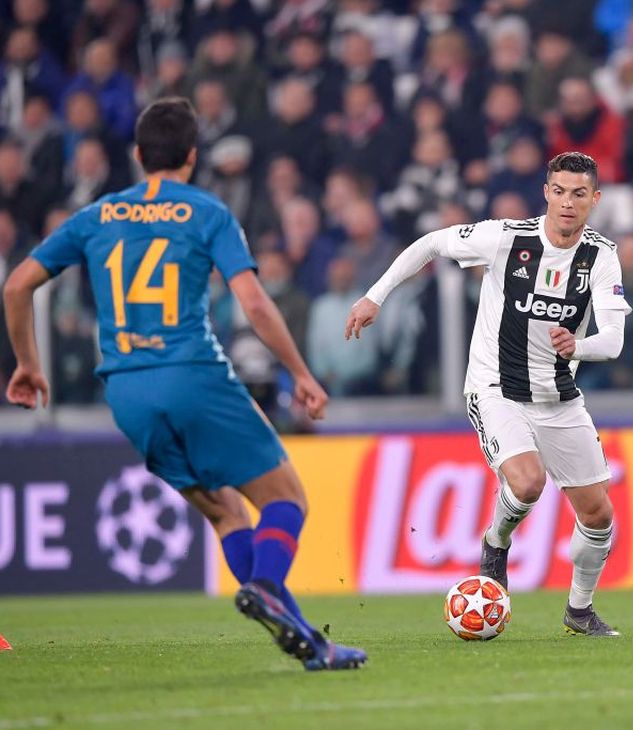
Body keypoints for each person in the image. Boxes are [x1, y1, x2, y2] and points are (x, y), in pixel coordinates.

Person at [2, 98, 364, 670]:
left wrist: (27, 363)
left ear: (138, 155)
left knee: (226, 514)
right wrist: (299, 372)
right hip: (193, 376)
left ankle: (309, 643)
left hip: (125, 391)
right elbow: (252, 301)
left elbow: (18, 285)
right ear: (193, 156)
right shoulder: (206, 211)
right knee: (286, 499)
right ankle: (269, 588)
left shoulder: (96, 215)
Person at [346, 152, 631, 637]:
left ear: (594, 200)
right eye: (559, 191)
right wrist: (376, 294)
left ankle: (579, 612)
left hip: (560, 397)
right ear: (546, 192)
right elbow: (433, 242)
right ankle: (495, 545)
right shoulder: (508, 237)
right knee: (526, 482)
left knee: (599, 513)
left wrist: (579, 345)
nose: (567, 202)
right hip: (496, 387)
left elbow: (615, 340)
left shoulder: (600, 255)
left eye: (579, 194)